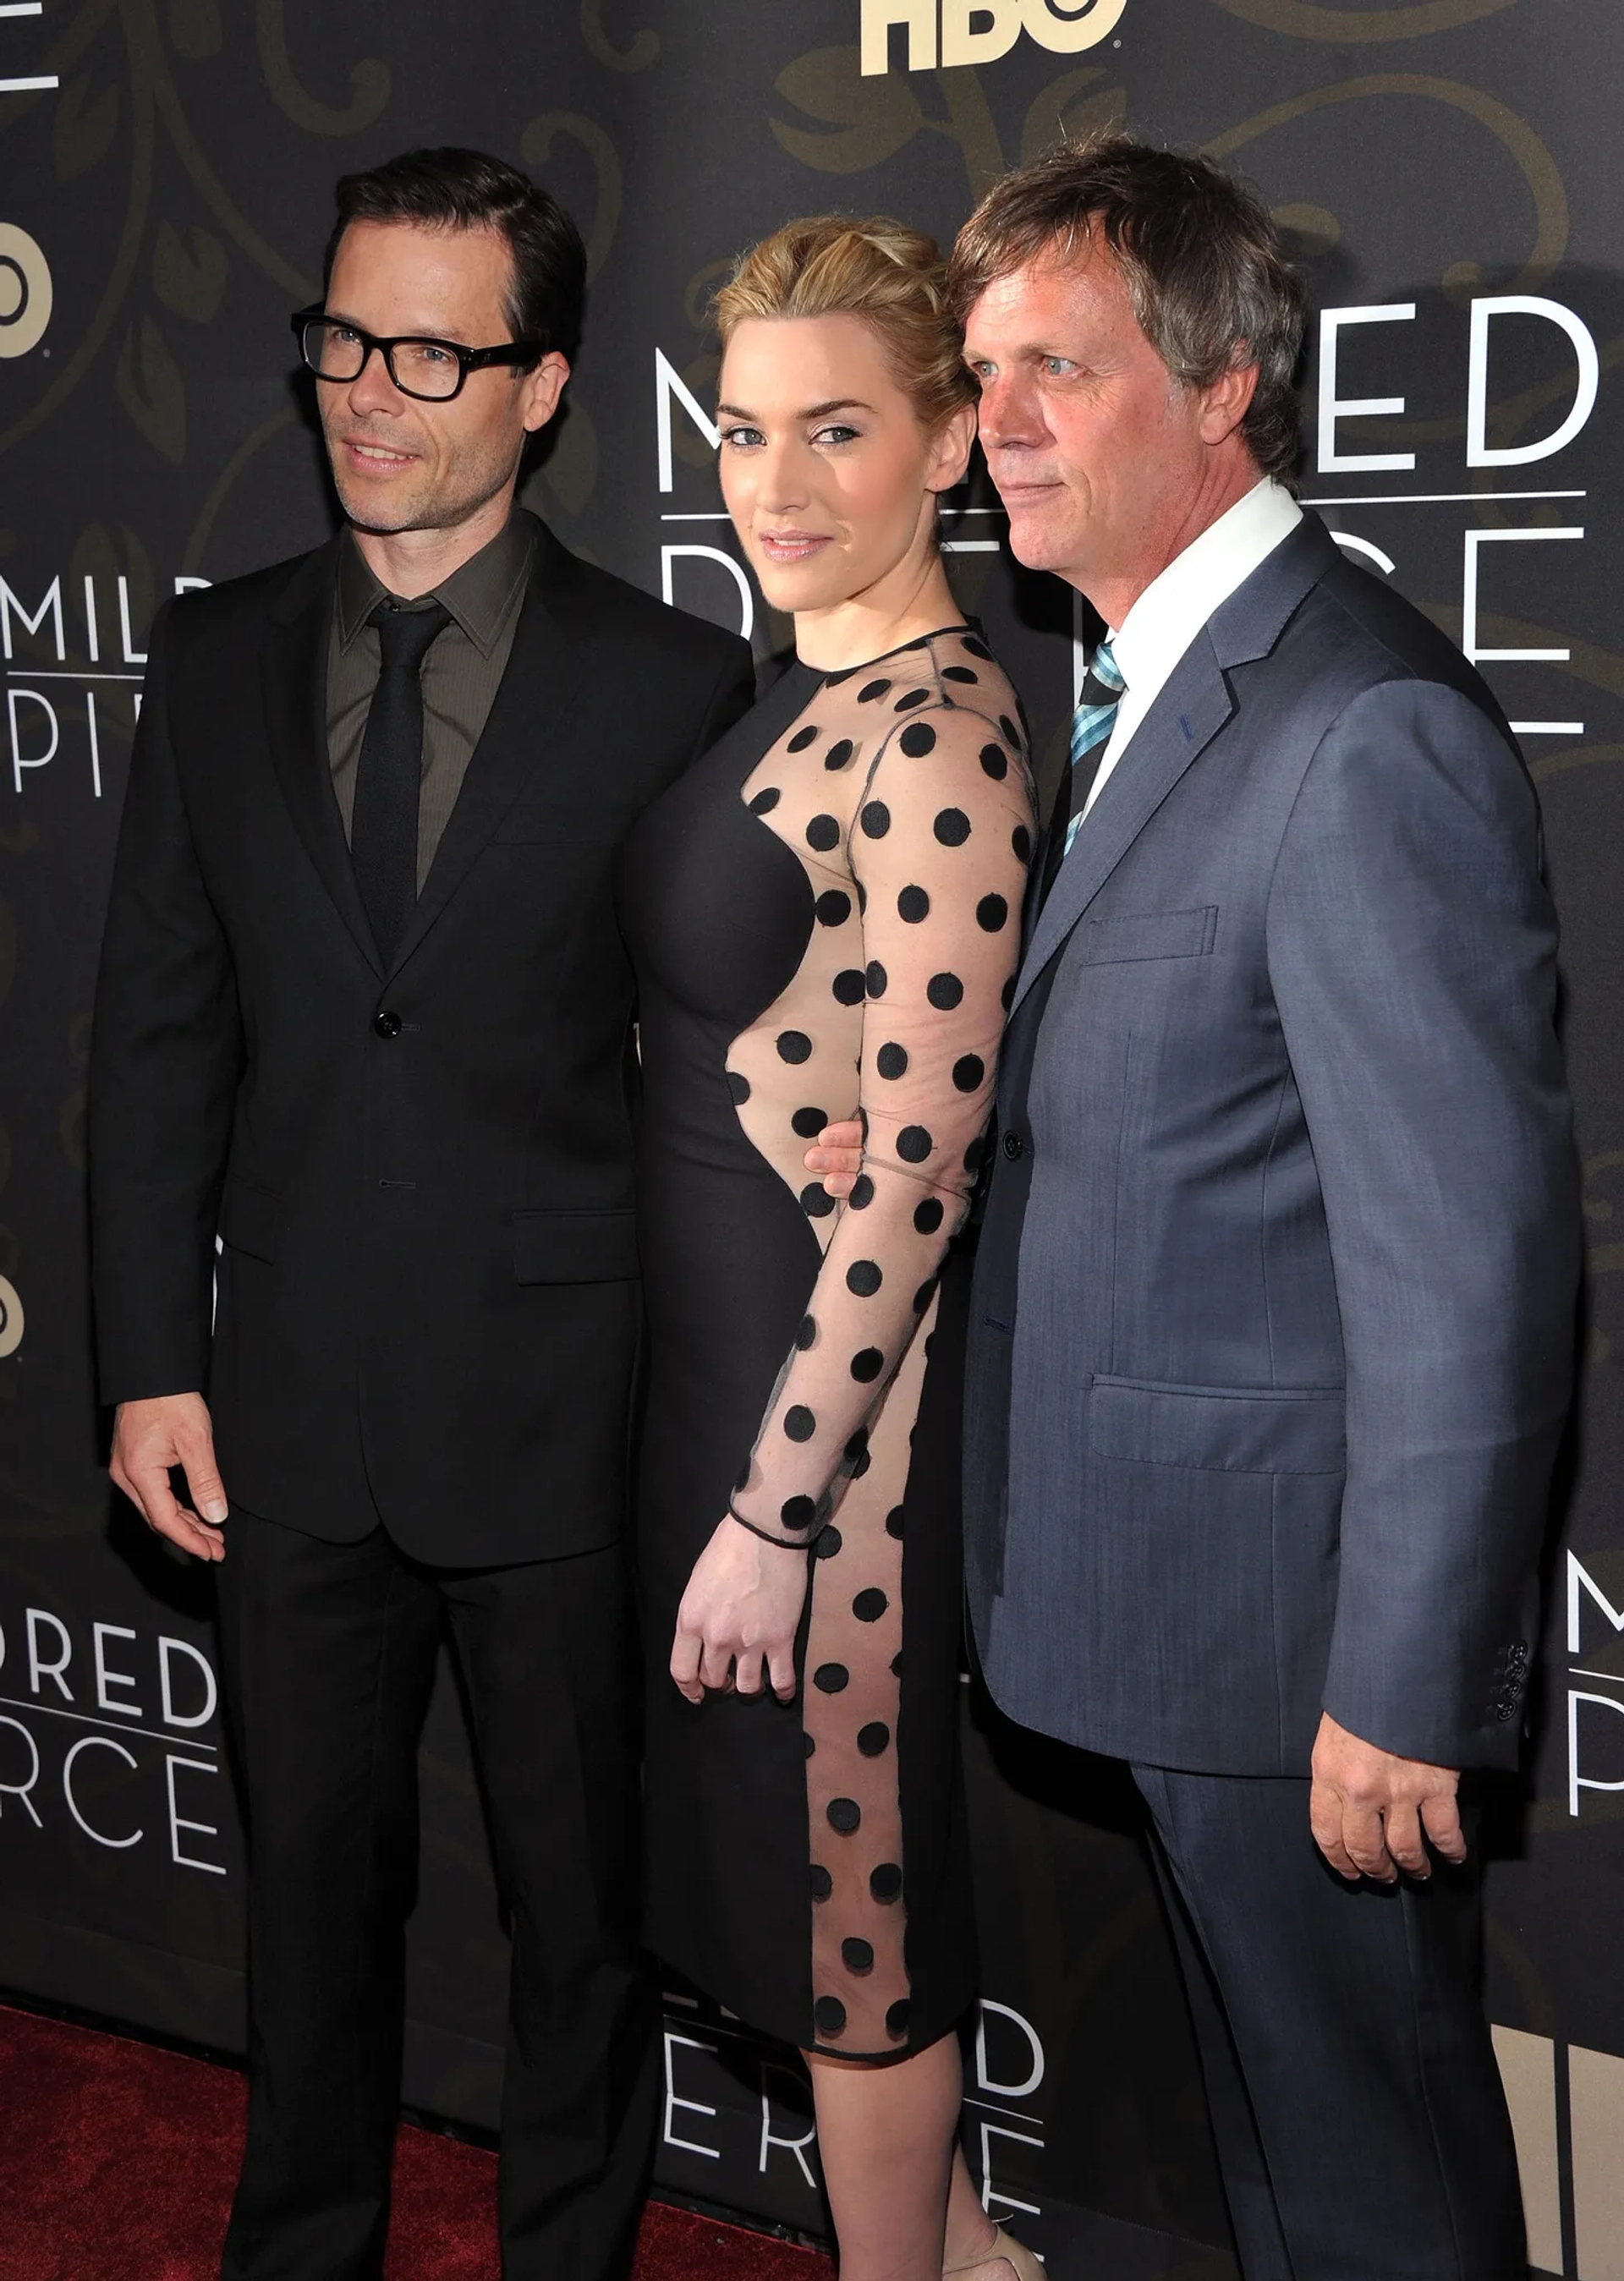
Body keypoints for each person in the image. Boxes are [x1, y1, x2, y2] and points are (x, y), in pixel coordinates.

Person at [87, 147, 753, 2281]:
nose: (368, 391)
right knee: (306, 1899)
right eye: (343, 338)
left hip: (564, 1410)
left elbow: (727, 1102)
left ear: (543, 386)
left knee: (583, 1919)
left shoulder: (673, 690)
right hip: (280, 1409)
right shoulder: (211, 661)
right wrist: (150, 1363)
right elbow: (154, 1046)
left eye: (431, 352)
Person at [935, 134, 1579, 2279]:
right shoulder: (1131, 683)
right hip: (1175, 1615)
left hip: (1293, 1658)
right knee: (1287, 2168)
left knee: (1372, 2180)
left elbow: (1466, 1262)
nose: (992, 422)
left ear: (1223, 388)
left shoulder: (1354, 722)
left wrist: (1403, 1681)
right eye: (980, 367)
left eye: (1059, 368)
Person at [617, 217, 1041, 2281]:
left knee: (853, 1905)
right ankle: (966, 2258)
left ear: (953, 443)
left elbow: (919, 1176)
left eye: (838, 431)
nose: (773, 489)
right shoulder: (796, 689)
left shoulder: (946, 733)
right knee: (770, 1892)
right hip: (721, 1384)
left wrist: (782, 1511)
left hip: (835, 1444)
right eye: (742, 433)